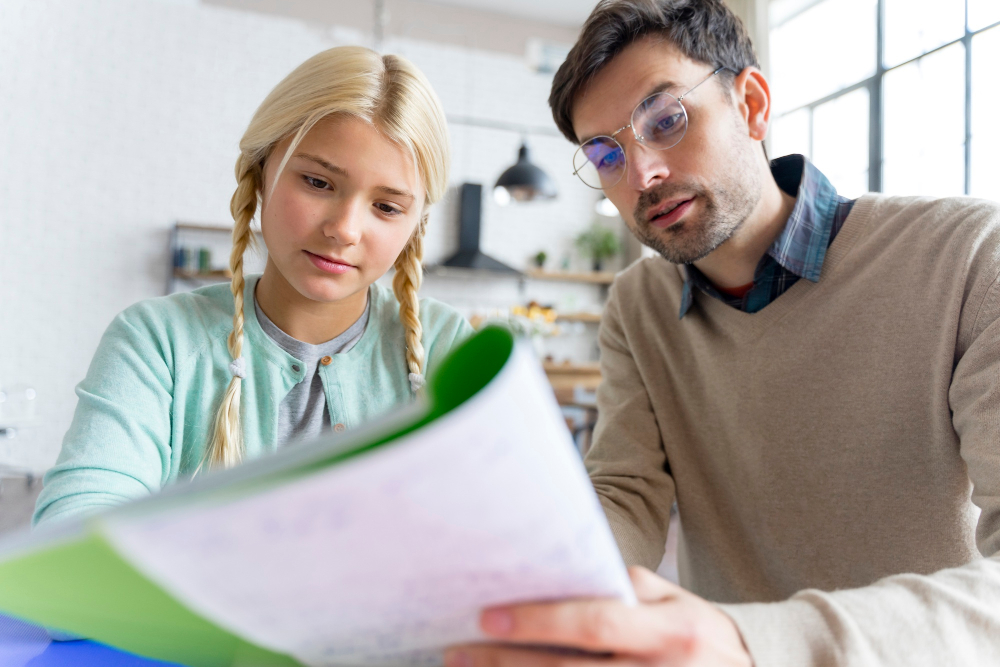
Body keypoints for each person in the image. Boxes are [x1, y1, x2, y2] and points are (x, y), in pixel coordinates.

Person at [445, 0, 1000, 665]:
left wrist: (751, 643)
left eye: (667, 119)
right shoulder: (637, 306)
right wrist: (544, 585)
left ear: (753, 103)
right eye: (606, 153)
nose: (643, 173)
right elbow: (626, 493)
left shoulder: (968, 255)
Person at [34, 46, 472, 526]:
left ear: (415, 223)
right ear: (262, 172)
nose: (345, 229)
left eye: (387, 207)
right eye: (318, 182)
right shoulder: (158, 341)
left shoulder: (451, 349)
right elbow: (74, 528)